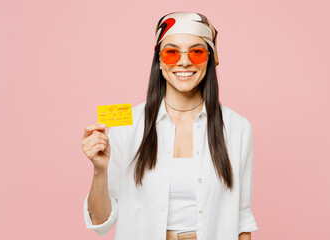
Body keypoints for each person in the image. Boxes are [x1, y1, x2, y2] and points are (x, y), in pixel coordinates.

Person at [81, 11, 259, 240]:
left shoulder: (237, 128)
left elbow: (242, 219)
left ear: (209, 59)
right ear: (159, 62)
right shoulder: (128, 127)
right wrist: (99, 170)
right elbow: (101, 223)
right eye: (171, 52)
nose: (184, 61)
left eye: (196, 52)